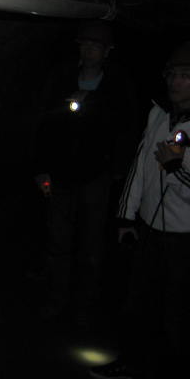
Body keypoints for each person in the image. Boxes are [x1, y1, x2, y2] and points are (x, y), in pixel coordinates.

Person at [90, 41, 190, 379]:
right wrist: (126, 216)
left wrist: (178, 170)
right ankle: (130, 362)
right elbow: (140, 167)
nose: (176, 82)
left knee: (177, 311)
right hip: (149, 228)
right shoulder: (157, 114)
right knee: (136, 302)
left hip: (184, 236)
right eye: (172, 74)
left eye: (185, 76)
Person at [32, 20, 139, 329]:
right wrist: (40, 168)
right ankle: (57, 299)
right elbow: (43, 124)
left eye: (96, 46)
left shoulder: (117, 85)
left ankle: (85, 305)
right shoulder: (61, 78)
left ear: (107, 51)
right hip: (61, 174)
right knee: (58, 241)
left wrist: (118, 169)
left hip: (96, 175)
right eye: (86, 44)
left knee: (91, 245)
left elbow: (127, 128)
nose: (89, 50)